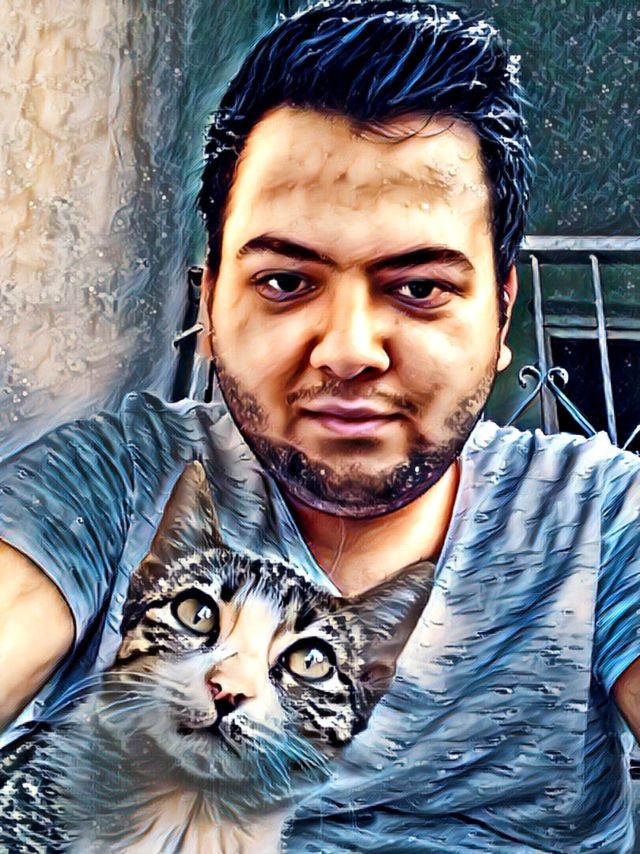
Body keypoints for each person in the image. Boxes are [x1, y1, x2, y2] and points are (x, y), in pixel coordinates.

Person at [1, 0, 639, 850]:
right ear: (210, 303)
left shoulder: (597, 518)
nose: (347, 351)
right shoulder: (116, 479)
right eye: (284, 282)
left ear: (501, 314)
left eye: (419, 288)